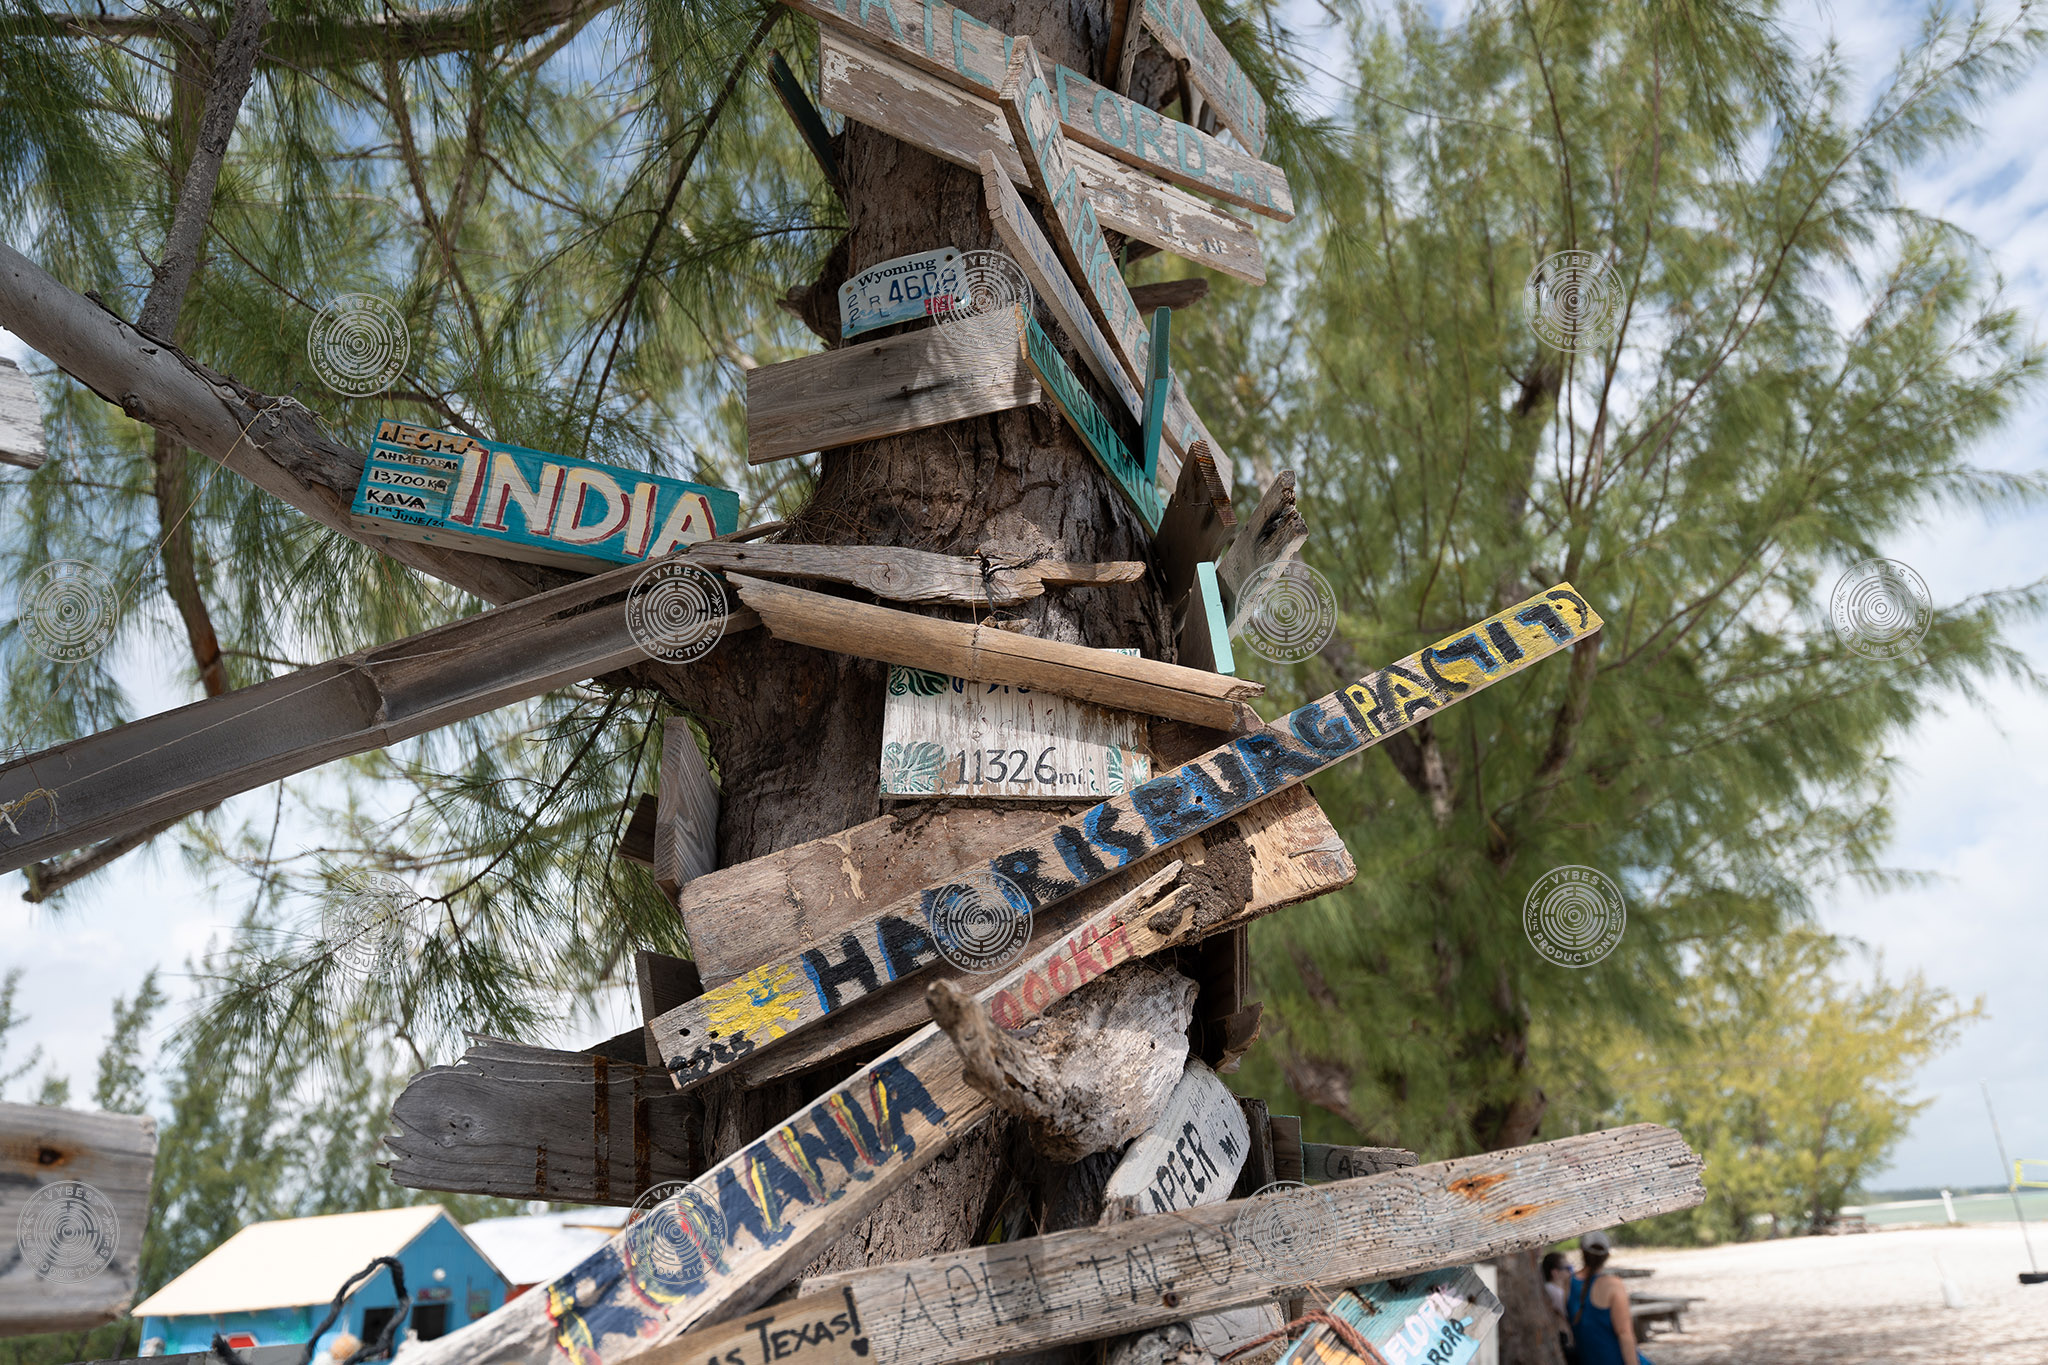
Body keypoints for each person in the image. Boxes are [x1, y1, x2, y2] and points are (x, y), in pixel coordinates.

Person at [1564, 1229, 1651, 1365]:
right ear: (1607, 1255)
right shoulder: (1613, 1285)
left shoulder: (1567, 1283)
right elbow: (1624, 1333)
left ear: (1582, 1251)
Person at [1541, 1251, 1574, 1358]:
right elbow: (1568, 1312)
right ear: (1555, 1272)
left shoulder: (1550, 1289)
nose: (1571, 1272)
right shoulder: (1554, 1291)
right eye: (1568, 1268)